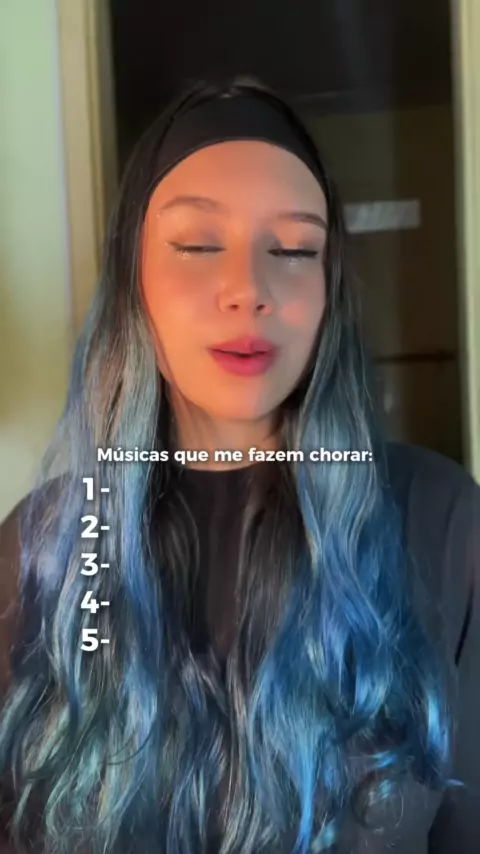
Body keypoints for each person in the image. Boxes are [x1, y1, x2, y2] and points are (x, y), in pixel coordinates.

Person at [0, 75, 478, 854]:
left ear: (329, 288)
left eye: (293, 249)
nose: (249, 290)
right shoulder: (45, 544)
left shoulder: (442, 519)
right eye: (196, 245)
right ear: (132, 280)